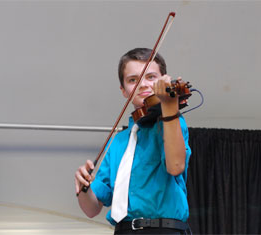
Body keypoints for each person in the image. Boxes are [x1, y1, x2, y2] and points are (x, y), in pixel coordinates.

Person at [75, 48, 192, 234]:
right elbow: (91, 209)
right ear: (123, 90)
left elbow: (176, 166)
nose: (143, 85)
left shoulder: (170, 122)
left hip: (163, 230)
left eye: (151, 77)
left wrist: (170, 107)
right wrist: (83, 189)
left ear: (164, 80)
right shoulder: (119, 141)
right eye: (133, 80)